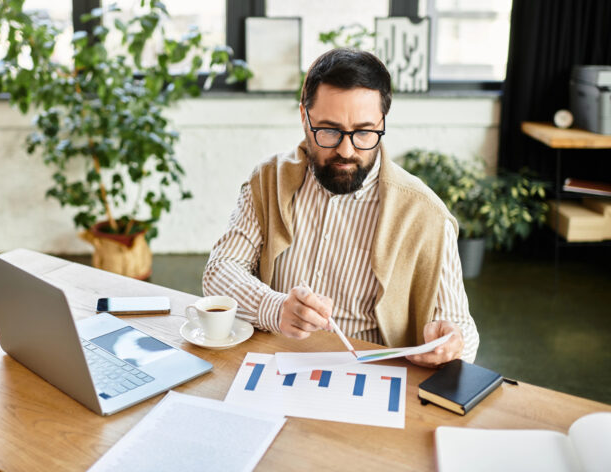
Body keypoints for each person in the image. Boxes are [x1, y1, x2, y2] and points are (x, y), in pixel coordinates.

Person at [202, 48, 479, 366]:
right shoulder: (269, 180)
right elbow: (219, 270)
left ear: (382, 122)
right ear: (305, 118)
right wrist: (274, 308)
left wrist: (449, 343)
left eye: (363, 132)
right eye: (330, 131)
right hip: (275, 366)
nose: (346, 150)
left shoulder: (425, 213)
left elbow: (463, 333)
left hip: (373, 380)